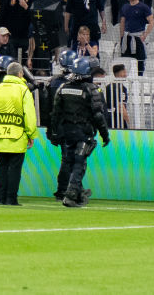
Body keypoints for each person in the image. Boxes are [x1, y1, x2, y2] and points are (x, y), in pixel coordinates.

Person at [50, 56, 110, 207]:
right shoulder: (92, 90)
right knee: (79, 164)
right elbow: (98, 115)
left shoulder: (62, 88)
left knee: (70, 162)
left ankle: (77, 193)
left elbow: (56, 114)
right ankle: (70, 195)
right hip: (84, 132)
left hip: (67, 132)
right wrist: (105, 135)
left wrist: (54, 133)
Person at [0, 62, 38, 206]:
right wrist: (31, 134)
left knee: (1, 167)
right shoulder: (23, 90)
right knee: (14, 169)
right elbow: (29, 115)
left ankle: (0, 197)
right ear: (20, 74)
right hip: (17, 135)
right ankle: (11, 198)